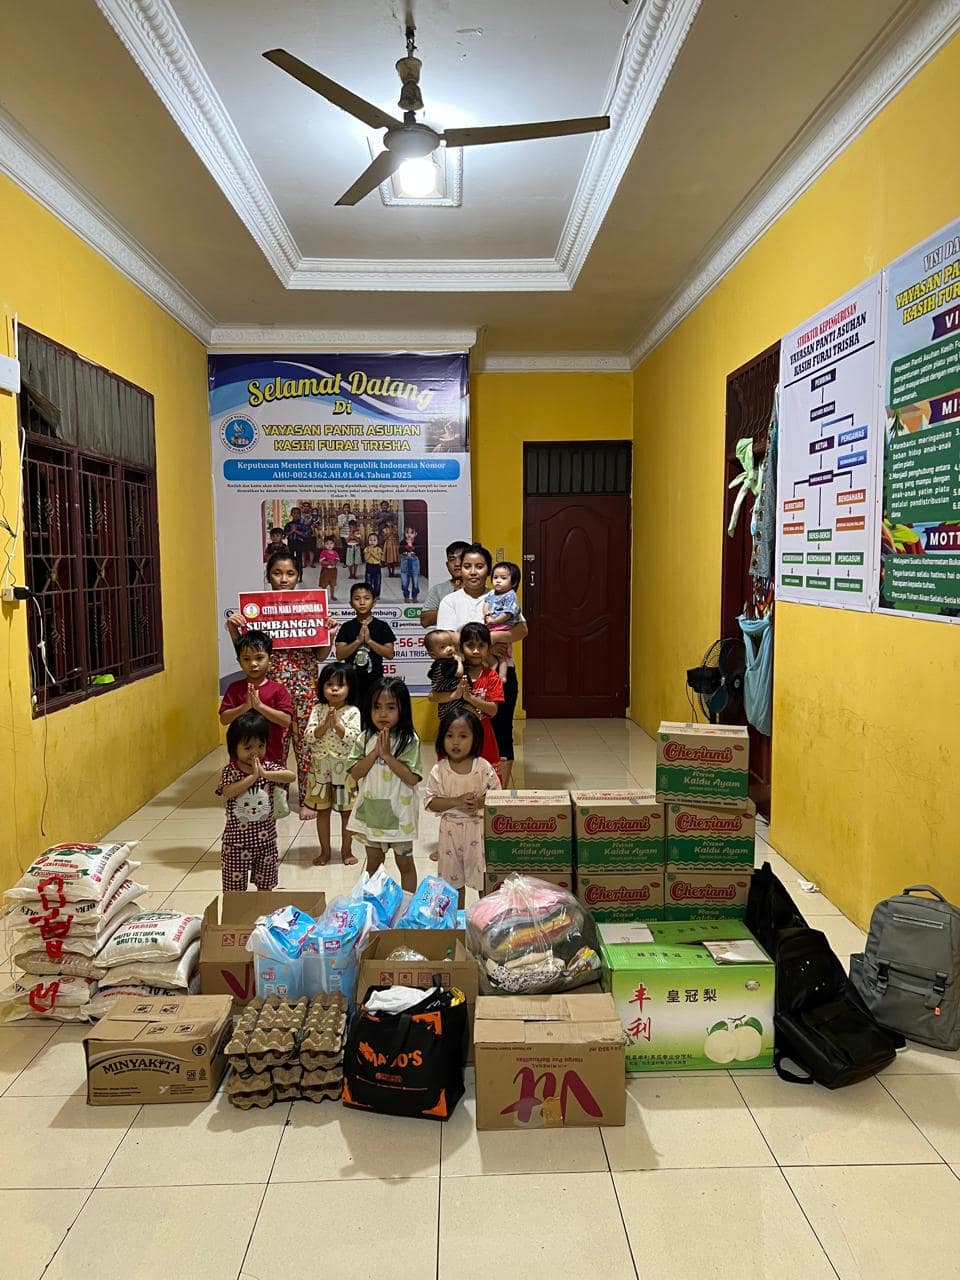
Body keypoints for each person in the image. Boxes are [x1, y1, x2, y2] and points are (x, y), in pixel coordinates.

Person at [226, 550, 332, 819]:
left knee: (308, 746)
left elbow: (320, 655)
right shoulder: (257, 612)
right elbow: (246, 650)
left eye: (290, 573)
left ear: (298, 576)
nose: (284, 579)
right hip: (270, 694)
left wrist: (329, 633)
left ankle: (310, 799)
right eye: (277, 573)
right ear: (268, 576)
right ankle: (274, 797)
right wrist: (234, 628)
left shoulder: (310, 609)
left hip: (305, 690)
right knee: (273, 747)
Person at [436, 542, 528, 786]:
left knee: (501, 732)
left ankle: (498, 792)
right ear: (460, 569)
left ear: (489, 569)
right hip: (463, 677)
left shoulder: (501, 595)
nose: (473, 572)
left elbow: (522, 630)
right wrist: (486, 643)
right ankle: (466, 787)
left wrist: (490, 639)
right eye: (467, 566)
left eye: (479, 566)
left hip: (500, 675)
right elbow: (447, 638)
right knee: (463, 732)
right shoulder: (450, 601)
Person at [347, 678, 422, 893]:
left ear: (402, 709)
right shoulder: (365, 738)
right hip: (372, 814)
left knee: (405, 864)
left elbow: (412, 778)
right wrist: (374, 753)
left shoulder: (409, 740)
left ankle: (408, 904)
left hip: (401, 815)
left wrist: (387, 755)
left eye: (390, 707)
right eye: (377, 707)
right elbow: (355, 773)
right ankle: (372, 903)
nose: (382, 714)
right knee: (373, 863)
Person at [423, 711, 501, 908]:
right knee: (453, 885)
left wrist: (480, 803)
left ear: (475, 738)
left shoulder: (483, 767)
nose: (455, 742)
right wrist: (456, 801)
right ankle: (457, 921)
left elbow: (497, 796)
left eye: (463, 736)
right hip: (450, 833)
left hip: (478, 831)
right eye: (449, 736)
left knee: (483, 880)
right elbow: (431, 802)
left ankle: (485, 918)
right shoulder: (440, 770)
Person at [215, 711, 296, 893]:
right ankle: (238, 912)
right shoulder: (231, 771)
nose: (255, 752)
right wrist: (252, 777)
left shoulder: (268, 767)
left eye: (261, 746)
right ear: (234, 748)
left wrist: (265, 774)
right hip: (236, 844)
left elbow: (291, 776)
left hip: (266, 842)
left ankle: (263, 909)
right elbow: (228, 791)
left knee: (266, 888)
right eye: (248, 748)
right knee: (234, 891)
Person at [303, 661, 361, 867]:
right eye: (329, 684)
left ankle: (347, 851)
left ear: (350, 688)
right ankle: (325, 851)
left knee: (346, 813)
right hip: (320, 770)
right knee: (322, 811)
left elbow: (355, 739)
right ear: (322, 687)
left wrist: (337, 725)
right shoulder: (317, 709)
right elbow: (309, 737)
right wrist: (323, 725)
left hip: (344, 770)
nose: (334, 689)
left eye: (340, 685)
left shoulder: (353, 711)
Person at [218, 630, 293, 767]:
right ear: (239, 661)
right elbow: (224, 719)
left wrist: (260, 707)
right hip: (241, 759)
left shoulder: (278, 689)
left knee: (274, 782)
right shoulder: (234, 688)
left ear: (270, 659)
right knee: (243, 781)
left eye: (259, 658)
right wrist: (245, 707)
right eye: (246, 659)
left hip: (272, 756)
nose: (253, 664)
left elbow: (286, 721)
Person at [335, 582, 396, 712]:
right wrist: (358, 641)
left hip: (376, 683)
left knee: (374, 715)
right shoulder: (346, 627)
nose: (362, 602)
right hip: (351, 684)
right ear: (351, 603)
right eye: (357, 599)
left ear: (374, 602)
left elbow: (390, 654)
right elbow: (340, 655)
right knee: (352, 717)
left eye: (366, 598)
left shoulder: (382, 626)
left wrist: (369, 641)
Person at [483, 560, 522, 682]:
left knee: (502, 655)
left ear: (513, 582)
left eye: (503, 578)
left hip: (503, 627)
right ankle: (493, 666)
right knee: (489, 652)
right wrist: (486, 613)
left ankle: (502, 675)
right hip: (491, 626)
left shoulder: (510, 596)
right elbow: (486, 603)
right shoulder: (492, 593)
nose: (498, 581)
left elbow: (507, 613)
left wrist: (494, 621)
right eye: (495, 577)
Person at [420, 539, 469, 628]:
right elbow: (425, 621)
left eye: (461, 558)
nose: (457, 563)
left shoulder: (480, 589)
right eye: (452, 559)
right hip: (446, 636)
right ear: (447, 565)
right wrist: (453, 603)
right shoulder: (438, 590)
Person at [424, 629, 467, 723]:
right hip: (453, 705)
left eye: (450, 644)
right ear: (432, 654)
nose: (449, 648)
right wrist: (459, 661)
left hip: (446, 704)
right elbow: (459, 673)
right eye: (443, 647)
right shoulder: (446, 664)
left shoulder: (438, 664)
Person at [283, 506, 309, 572]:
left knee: (299, 558)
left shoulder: (302, 525)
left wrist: (296, 530)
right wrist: (292, 531)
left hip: (299, 542)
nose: (296, 515)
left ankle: (299, 572)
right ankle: (291, 571)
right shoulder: (288, 524)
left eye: (298, 513)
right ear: (291, 514)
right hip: (291, 542)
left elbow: (305, 535)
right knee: (290, 557)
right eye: (294, 513)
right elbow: (285, 535)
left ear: (300, 514)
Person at [399, 526, 420, 602]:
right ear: (404, 533)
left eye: (411, 533)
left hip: (414, 563)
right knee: (404, 581)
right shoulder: (402, 542)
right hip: (405, 563)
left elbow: (419, 552)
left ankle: (415, 596)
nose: (409, 535)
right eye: (407, 532)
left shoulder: (417, 543)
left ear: (415, 534)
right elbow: (400, 552)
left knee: (415, 581)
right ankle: (406, 596)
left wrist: (411, 546)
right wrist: (407, 547)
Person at [318, 535, 340, 600]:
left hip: (333, 571)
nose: (329, 545)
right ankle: (323, 596)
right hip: (325, 571)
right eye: (327, 544)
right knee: (324, 584)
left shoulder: (335, 552)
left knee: (333, 584)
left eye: (331, 543)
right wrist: (329, 562)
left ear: (334, 544)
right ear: (324, 545)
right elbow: (321, 561)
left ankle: (332, 595)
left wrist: (334, 563)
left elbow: (337, 560)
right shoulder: (324, 552)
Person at [363, 533, 384, 597]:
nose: (372, 542)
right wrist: (369, 552)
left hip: (376, 567)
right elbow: (366, 559)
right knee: (368, 581)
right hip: (369, 566)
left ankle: (377, 594)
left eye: (374, 540)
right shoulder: (366, 549)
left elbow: (378, 558)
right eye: (370, 540)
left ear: (378, 541)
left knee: (377, 581)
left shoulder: (379, 549)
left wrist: (372, 552)